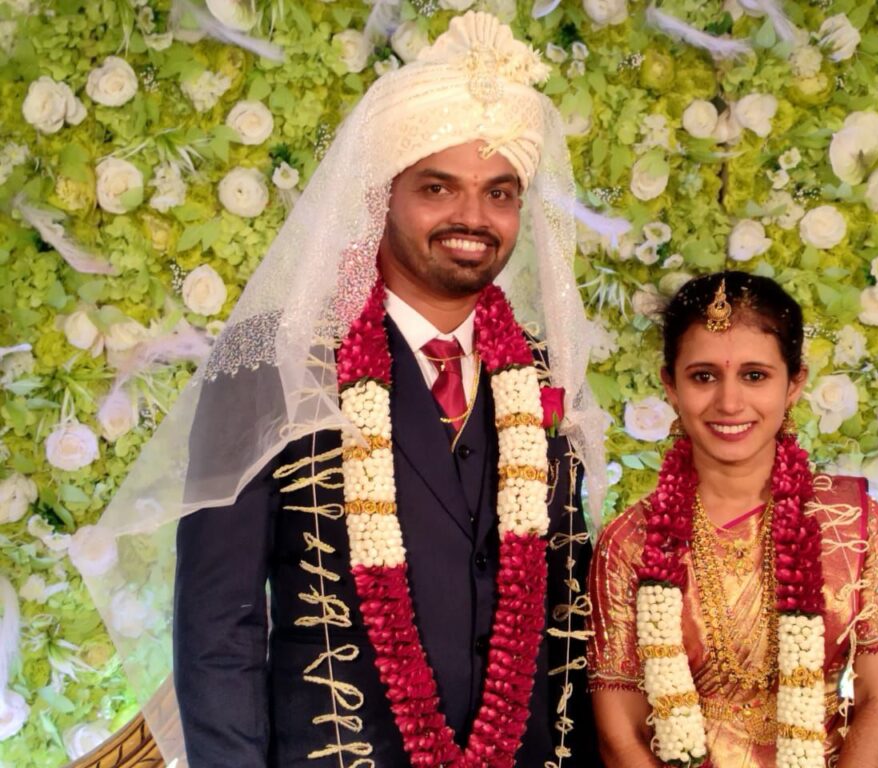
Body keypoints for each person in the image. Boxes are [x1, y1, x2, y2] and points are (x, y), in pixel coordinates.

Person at [80, 12, 605, 768]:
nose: (473, 217)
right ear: (378, 197)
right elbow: (219, 627)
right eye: (438, 188)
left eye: (500, 193)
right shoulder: (275, 365)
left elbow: (565, 615)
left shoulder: (546, 375)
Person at [587, 271, 878, 767]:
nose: (729, 403)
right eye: (703, 376)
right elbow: (621, 736)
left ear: (794, 384)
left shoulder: (853, 522)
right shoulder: (631, 542)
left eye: (755, 375)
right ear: (670, 385)